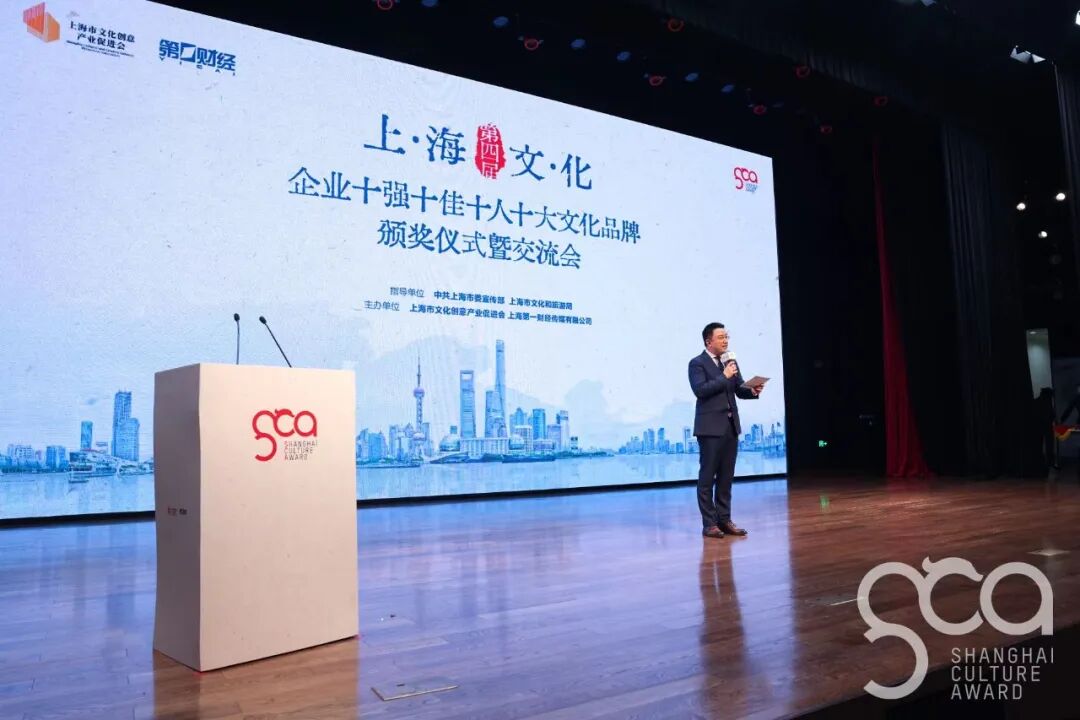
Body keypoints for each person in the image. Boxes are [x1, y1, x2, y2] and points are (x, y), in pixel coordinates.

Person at [688, 322, 762, 538]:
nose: (725, 340)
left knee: (726, 477)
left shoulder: (730, 362)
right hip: (710, 429)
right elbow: (701, 390)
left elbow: (738, 389)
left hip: (730, 427)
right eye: (721, 337)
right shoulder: (697, 363)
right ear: (708, 341)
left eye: (727, 336)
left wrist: (753, 391)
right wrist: (725, 376)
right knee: (707, 478)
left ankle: (724, 519)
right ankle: (709, 524)